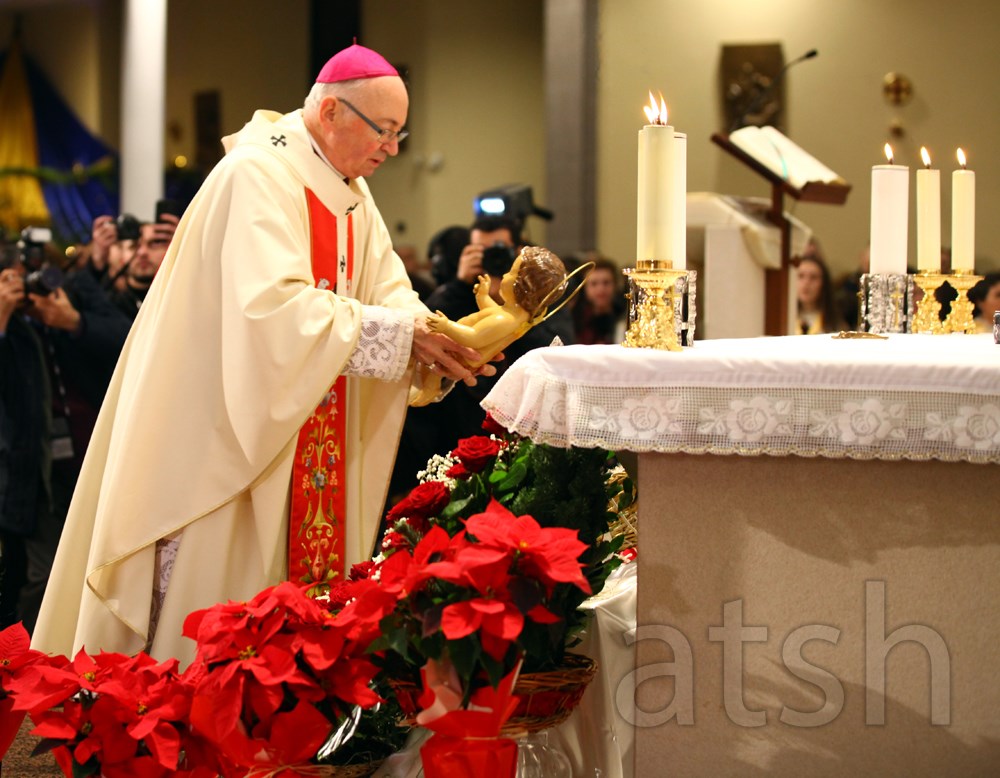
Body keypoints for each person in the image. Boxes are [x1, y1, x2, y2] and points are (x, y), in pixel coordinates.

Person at [32, 43, 492, 665]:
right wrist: (401, 336)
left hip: (305, 434)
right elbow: (269, 311)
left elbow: (390, 292)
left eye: (400, 132)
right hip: (226, 434)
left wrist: (434, 337)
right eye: (384, 131)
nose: (393, 148)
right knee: (218, 597)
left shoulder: (350, 189)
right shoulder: (257, 174)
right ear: (331, 112)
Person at [0, 250, 131, 633]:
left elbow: (127, 335)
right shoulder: (18, 333)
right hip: (22, 475)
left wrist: (72, 321)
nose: (24, 288)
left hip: (75, 463)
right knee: (34, 577)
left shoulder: (66, 304)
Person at [413, 246, 567, 405]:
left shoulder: (505, 319)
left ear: (524, 287)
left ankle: (430, 389)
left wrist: (447, 327)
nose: (504, 275)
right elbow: (491, 312)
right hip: (459, 348)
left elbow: (474, 337)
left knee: (432, 369)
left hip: (459, 350)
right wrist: (483, 296)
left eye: (511, 273)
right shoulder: (510, 315)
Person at [571, 255, 625, 345]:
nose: (601, 289)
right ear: (584, 287)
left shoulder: (624, 317)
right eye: (594, 284)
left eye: (606, 282)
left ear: (615, 285)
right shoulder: (575, 319)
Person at [796, 245, 844, 334]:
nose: (806, 283)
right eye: (800, 276)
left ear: (824, 284)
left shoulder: (836, 323)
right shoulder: (782, 318)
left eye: (813, 277)